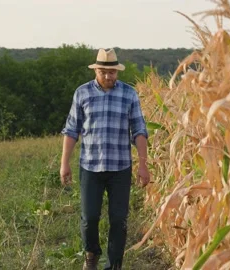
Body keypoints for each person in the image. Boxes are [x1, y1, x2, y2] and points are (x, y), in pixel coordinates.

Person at [59, 48, 150, 270]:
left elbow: (139, 130)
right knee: (89, 218)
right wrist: (64, 164)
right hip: (91, 166)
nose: (108, 76)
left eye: (112, 72)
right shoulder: (82, 93)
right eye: (103, 72)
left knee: (119, 220)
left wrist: (143, 165)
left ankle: (114, 264)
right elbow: (71, 130)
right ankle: (91, 255)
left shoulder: (129, 94)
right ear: (96, 71)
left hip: (120, 168)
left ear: (117, 72)